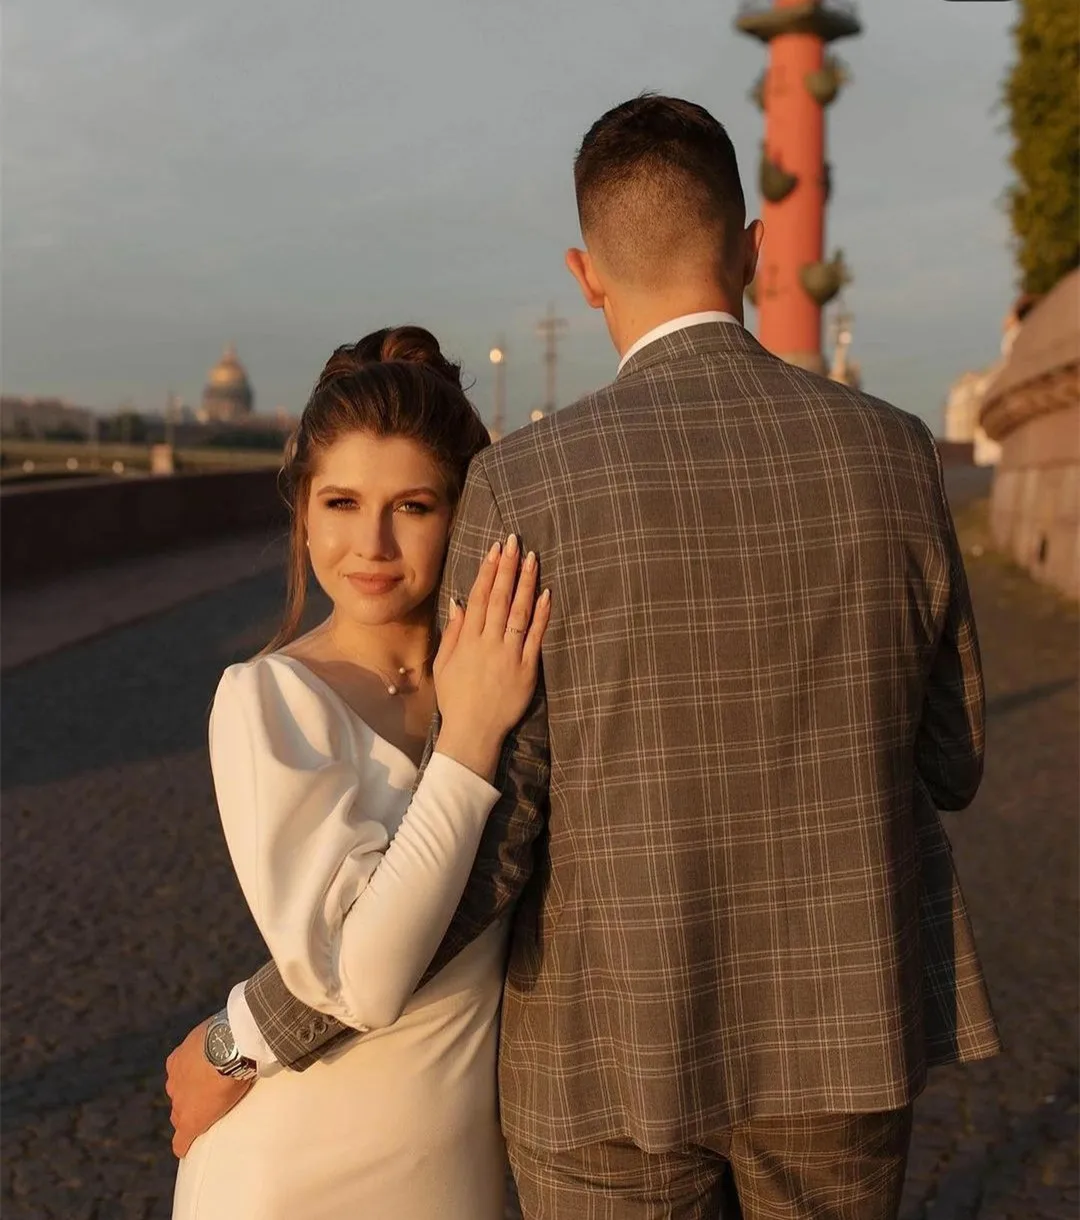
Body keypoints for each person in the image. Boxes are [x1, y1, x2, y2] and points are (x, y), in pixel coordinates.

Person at [169, 95, 1001, 1220]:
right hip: (842, 1031)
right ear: (754, 250)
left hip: (601, 1054)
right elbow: (952, 760)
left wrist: (249, 1033)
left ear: (587, 273)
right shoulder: (898, 452)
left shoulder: (531, 483)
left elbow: (492, 832)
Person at [168, 326, 549, 1219]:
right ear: (303, 510)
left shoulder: (503, 666)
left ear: (459, 514)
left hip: (457, 1171)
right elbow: (364, 982)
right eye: (341, 502)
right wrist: (468, 740)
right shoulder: (269, 700)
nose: (371, 544)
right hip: (289, 1177)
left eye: (412, 506)